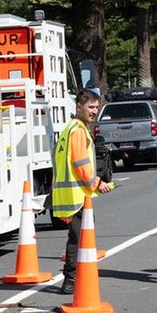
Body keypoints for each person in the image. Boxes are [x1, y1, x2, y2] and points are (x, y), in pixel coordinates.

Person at [52, 88, 113, 294]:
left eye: (97, 107)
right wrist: (96, 182)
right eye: (91, 107)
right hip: (77, 195)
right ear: (79, 107)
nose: (94, 111)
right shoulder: (78, 130)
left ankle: (73, 279)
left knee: (76, 238)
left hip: (71, 194)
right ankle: (71, 280)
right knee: (79, 239)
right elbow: (80, 163)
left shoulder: (69, 128)